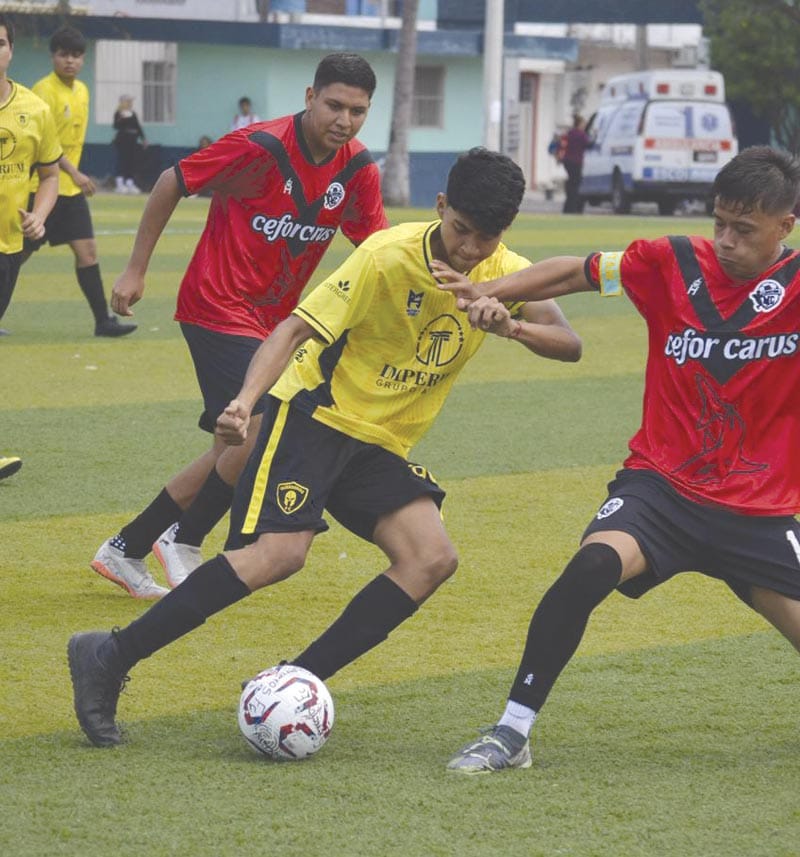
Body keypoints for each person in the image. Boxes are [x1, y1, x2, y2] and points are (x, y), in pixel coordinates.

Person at [67, 146, 583, 748]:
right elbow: (292, 329)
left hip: (378, 443)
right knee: (280, 554)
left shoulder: (506, 272)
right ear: (441, 207)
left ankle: (295, 683)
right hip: (315, 414)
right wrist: (243, 403)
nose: (470, 249)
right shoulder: (385, 257)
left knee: (431, 558)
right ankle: (109, 655)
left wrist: (510, 324)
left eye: (486, 237)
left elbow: (569, 343)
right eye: (461, 230)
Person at [435, 145, 800, 774]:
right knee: (589, 568)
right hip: (662, 489)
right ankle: (512, 733)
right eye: (719, 222)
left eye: (744, 229)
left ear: (784, 226)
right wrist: (488, 290)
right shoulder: (670, 260)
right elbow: (573, 272)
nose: (725, 239)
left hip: (759, 509)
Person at [89, 52, 388, 601]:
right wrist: (135, 269)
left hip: (273, 326)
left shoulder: (357, 169)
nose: (344, 120)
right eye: (335, 105)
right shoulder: (259, 147)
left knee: (240, 440)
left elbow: (374, 249)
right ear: (309, 97)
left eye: (359, 111)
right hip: (215, 303)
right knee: (266, 424)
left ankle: (129, 547)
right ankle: (185, 536)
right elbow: (171, 181)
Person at [20, 26, 136, 338]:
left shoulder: (82, 90)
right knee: (15, 255)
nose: (69, 61)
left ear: (83, 59)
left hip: (68, 192)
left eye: (76, 55)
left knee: (87, 252)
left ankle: (103, 322)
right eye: (63, 55)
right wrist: (75, 172)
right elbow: (47, 143)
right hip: (40, 189)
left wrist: (72, 177)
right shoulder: (43, 92)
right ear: (53, 56)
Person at [0, 12, 60, 335]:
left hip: (9, 245)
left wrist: (39, 215)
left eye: (0, 43)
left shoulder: (36, 110)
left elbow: (50, 175)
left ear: (11, 50)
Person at [112, 94, 146, 194]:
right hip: (123, 140)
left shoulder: (133, 113)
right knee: (122, 161)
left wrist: (143, 138)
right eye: (128, 101)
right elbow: (116, 126)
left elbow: (138, 126)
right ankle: (120, 184)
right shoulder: (119, 113)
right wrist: (121, 118)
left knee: (131, 162)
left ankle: (130, 183)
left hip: (132, 140)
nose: (130, 103)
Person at [561, 114, 592, 214]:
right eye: (583, 124)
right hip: (576, 161)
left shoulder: (570, 133)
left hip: (567, 161)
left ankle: (567, 207)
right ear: (580, 124)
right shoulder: (581, 134)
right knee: (576, 185)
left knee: (571, 183)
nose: (584, 126)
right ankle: (573, 207)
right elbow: (588, 144)